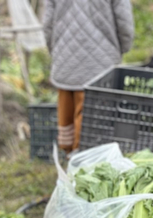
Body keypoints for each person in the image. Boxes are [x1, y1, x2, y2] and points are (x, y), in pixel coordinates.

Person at [42, 0, 134, 156]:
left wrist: (56, 51)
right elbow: (124, 23)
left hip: (65, 57)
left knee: (67, 108)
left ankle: (68, 152)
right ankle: (83, 156)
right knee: (90, 114)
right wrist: (122, 49)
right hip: (100, 61)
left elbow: (47, 24)